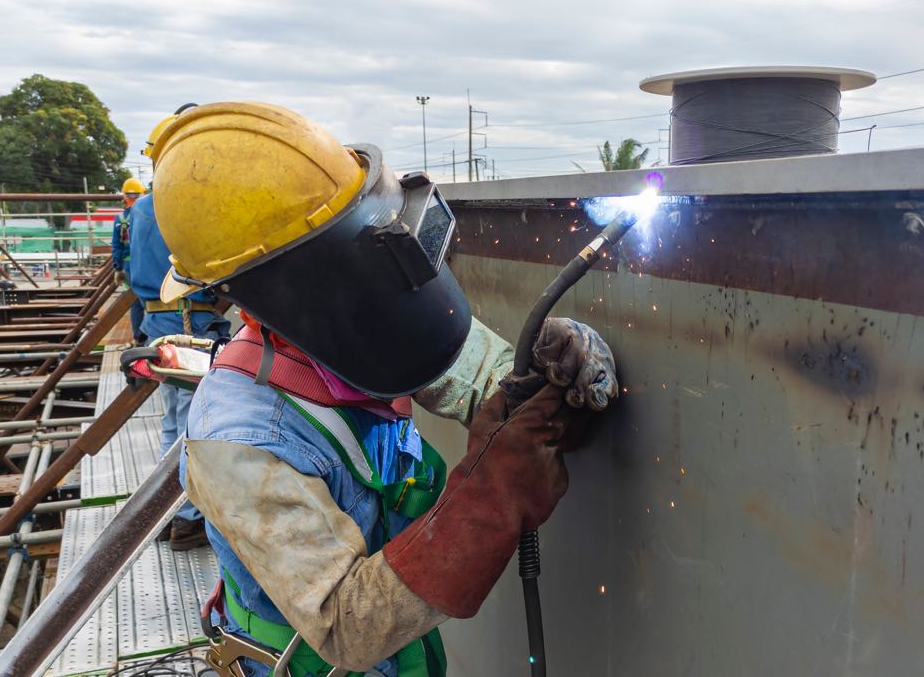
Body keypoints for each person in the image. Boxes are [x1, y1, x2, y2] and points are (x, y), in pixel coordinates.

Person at [150, 102, 619, 677]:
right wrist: (492, 496)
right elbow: (345, 626)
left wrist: (552, 363)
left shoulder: (360, 333)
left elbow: (489, 384)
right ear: (290, 288)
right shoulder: (237, 442)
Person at [131, 111, 230, 550]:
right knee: (198, 423)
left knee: (175, 423)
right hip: (190, 322)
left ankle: (170, 514)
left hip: (158, 320)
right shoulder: (187, 201)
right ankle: (187, 519)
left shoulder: (139, 207)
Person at [112, 177, 147, 342]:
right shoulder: (147, 216)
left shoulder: (120, 220)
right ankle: (154, 333)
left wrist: (118, 268)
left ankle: (138, 337)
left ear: (124, 196)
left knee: (135, 301)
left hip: (129, 264)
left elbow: (116, 246)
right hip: (147, 262)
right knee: (152, 297)